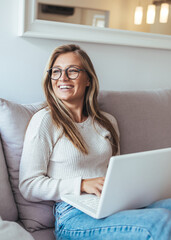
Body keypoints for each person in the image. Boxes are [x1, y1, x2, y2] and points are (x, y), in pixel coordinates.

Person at [19, 44, 171, 240]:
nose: (62, 78)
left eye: (72, 71)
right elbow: (28, 185)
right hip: (73, 214)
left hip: (111, 204)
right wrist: (82, 184)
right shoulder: (45, 121)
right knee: (161, 222)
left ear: (88, 79)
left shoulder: (107, 122)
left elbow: (115, 172)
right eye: (56, 72)